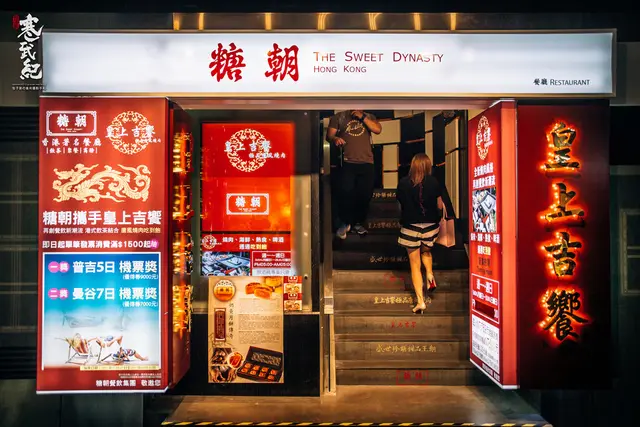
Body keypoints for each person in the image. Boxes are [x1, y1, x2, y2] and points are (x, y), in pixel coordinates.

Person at [396, 153, 444, 314]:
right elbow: (439, 206)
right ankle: (430, 274)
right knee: (426, 251)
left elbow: (400, 205)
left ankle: (420, 302)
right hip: (431, 226)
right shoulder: (434, 182)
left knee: (415, 265)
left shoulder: (403, 183)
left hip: (410, 226)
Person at [326, 110, 382, 239]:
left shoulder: (369, 116)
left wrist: (362, 117)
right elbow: (329, 136)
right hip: (347, 161)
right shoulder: (339, 117)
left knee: (365, 195)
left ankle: (358, 223)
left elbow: (378, 129)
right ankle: (345, 223)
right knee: (346, 193)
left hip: (367, 162)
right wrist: (336, 138)